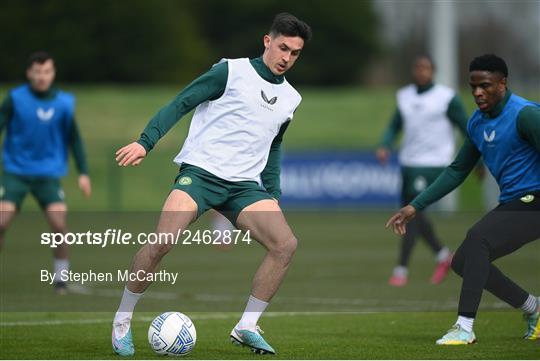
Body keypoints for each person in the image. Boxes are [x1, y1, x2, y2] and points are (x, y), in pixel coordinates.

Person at [111, 13, 312, 356]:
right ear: (267, 41)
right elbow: (181, 102)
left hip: (244, 188)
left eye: (295, 53)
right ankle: (122, 320)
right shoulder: (230, 71)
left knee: (285, 245)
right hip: (201, 176)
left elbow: (274, 145)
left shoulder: (291, 99)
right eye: (282, 48)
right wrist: (146, 141)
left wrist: (273, 194)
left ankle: (247, 325)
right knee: (162, 243)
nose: (286, 58)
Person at [386, 54, 540, 344]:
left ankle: (464, 327)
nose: (478, 93)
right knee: (463, 261)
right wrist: (414, 206)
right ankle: (533, 307)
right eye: (473, 87)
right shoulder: (477, 123)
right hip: (514, 201)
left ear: (503, 83)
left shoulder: (526, 115)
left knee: (479, 237)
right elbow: (457, 170)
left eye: (485, 85)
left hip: (536, 200)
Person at [0, 51, 91, 294]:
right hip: (16, 172)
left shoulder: (63, 103)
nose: (42, 76)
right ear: (30, 73)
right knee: (1, 221)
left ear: (53, 73)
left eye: (47, 72)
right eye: (37, 72)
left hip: (48, 175)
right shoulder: (15, 99)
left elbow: (75, 139)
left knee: (59, 225)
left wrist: (83, 173)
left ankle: (61, 279)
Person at [376, 55, 469, 287]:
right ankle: (443, 256)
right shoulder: (404, 96)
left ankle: (401, 270)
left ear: (433, 71)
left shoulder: (446, 98)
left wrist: (475, 162)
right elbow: (395, 124)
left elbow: (467, 127)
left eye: (426, 68)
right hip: (409, 162)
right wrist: (386, 144)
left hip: (434, 163)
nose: (421, 72)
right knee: (412, 213)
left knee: (411, 213)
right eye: (417, 67)